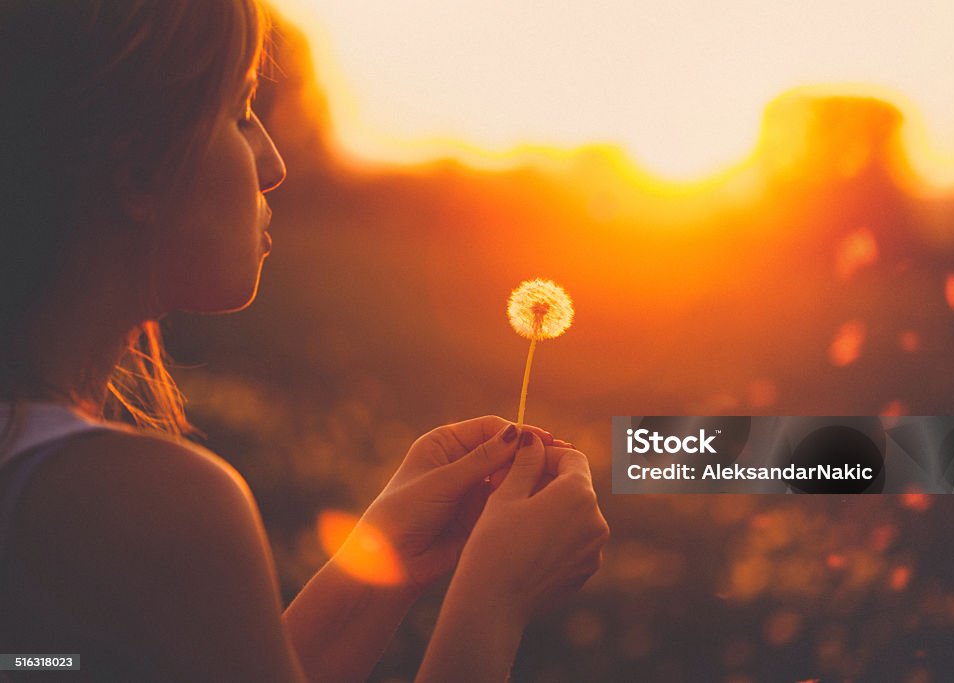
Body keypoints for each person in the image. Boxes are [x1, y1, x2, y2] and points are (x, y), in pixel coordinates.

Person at [0, 1, 609, 681]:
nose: (273, 161)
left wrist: (385, 559)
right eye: (239, 114)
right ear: (139, 172)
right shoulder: (154, 505)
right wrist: (495, 601)